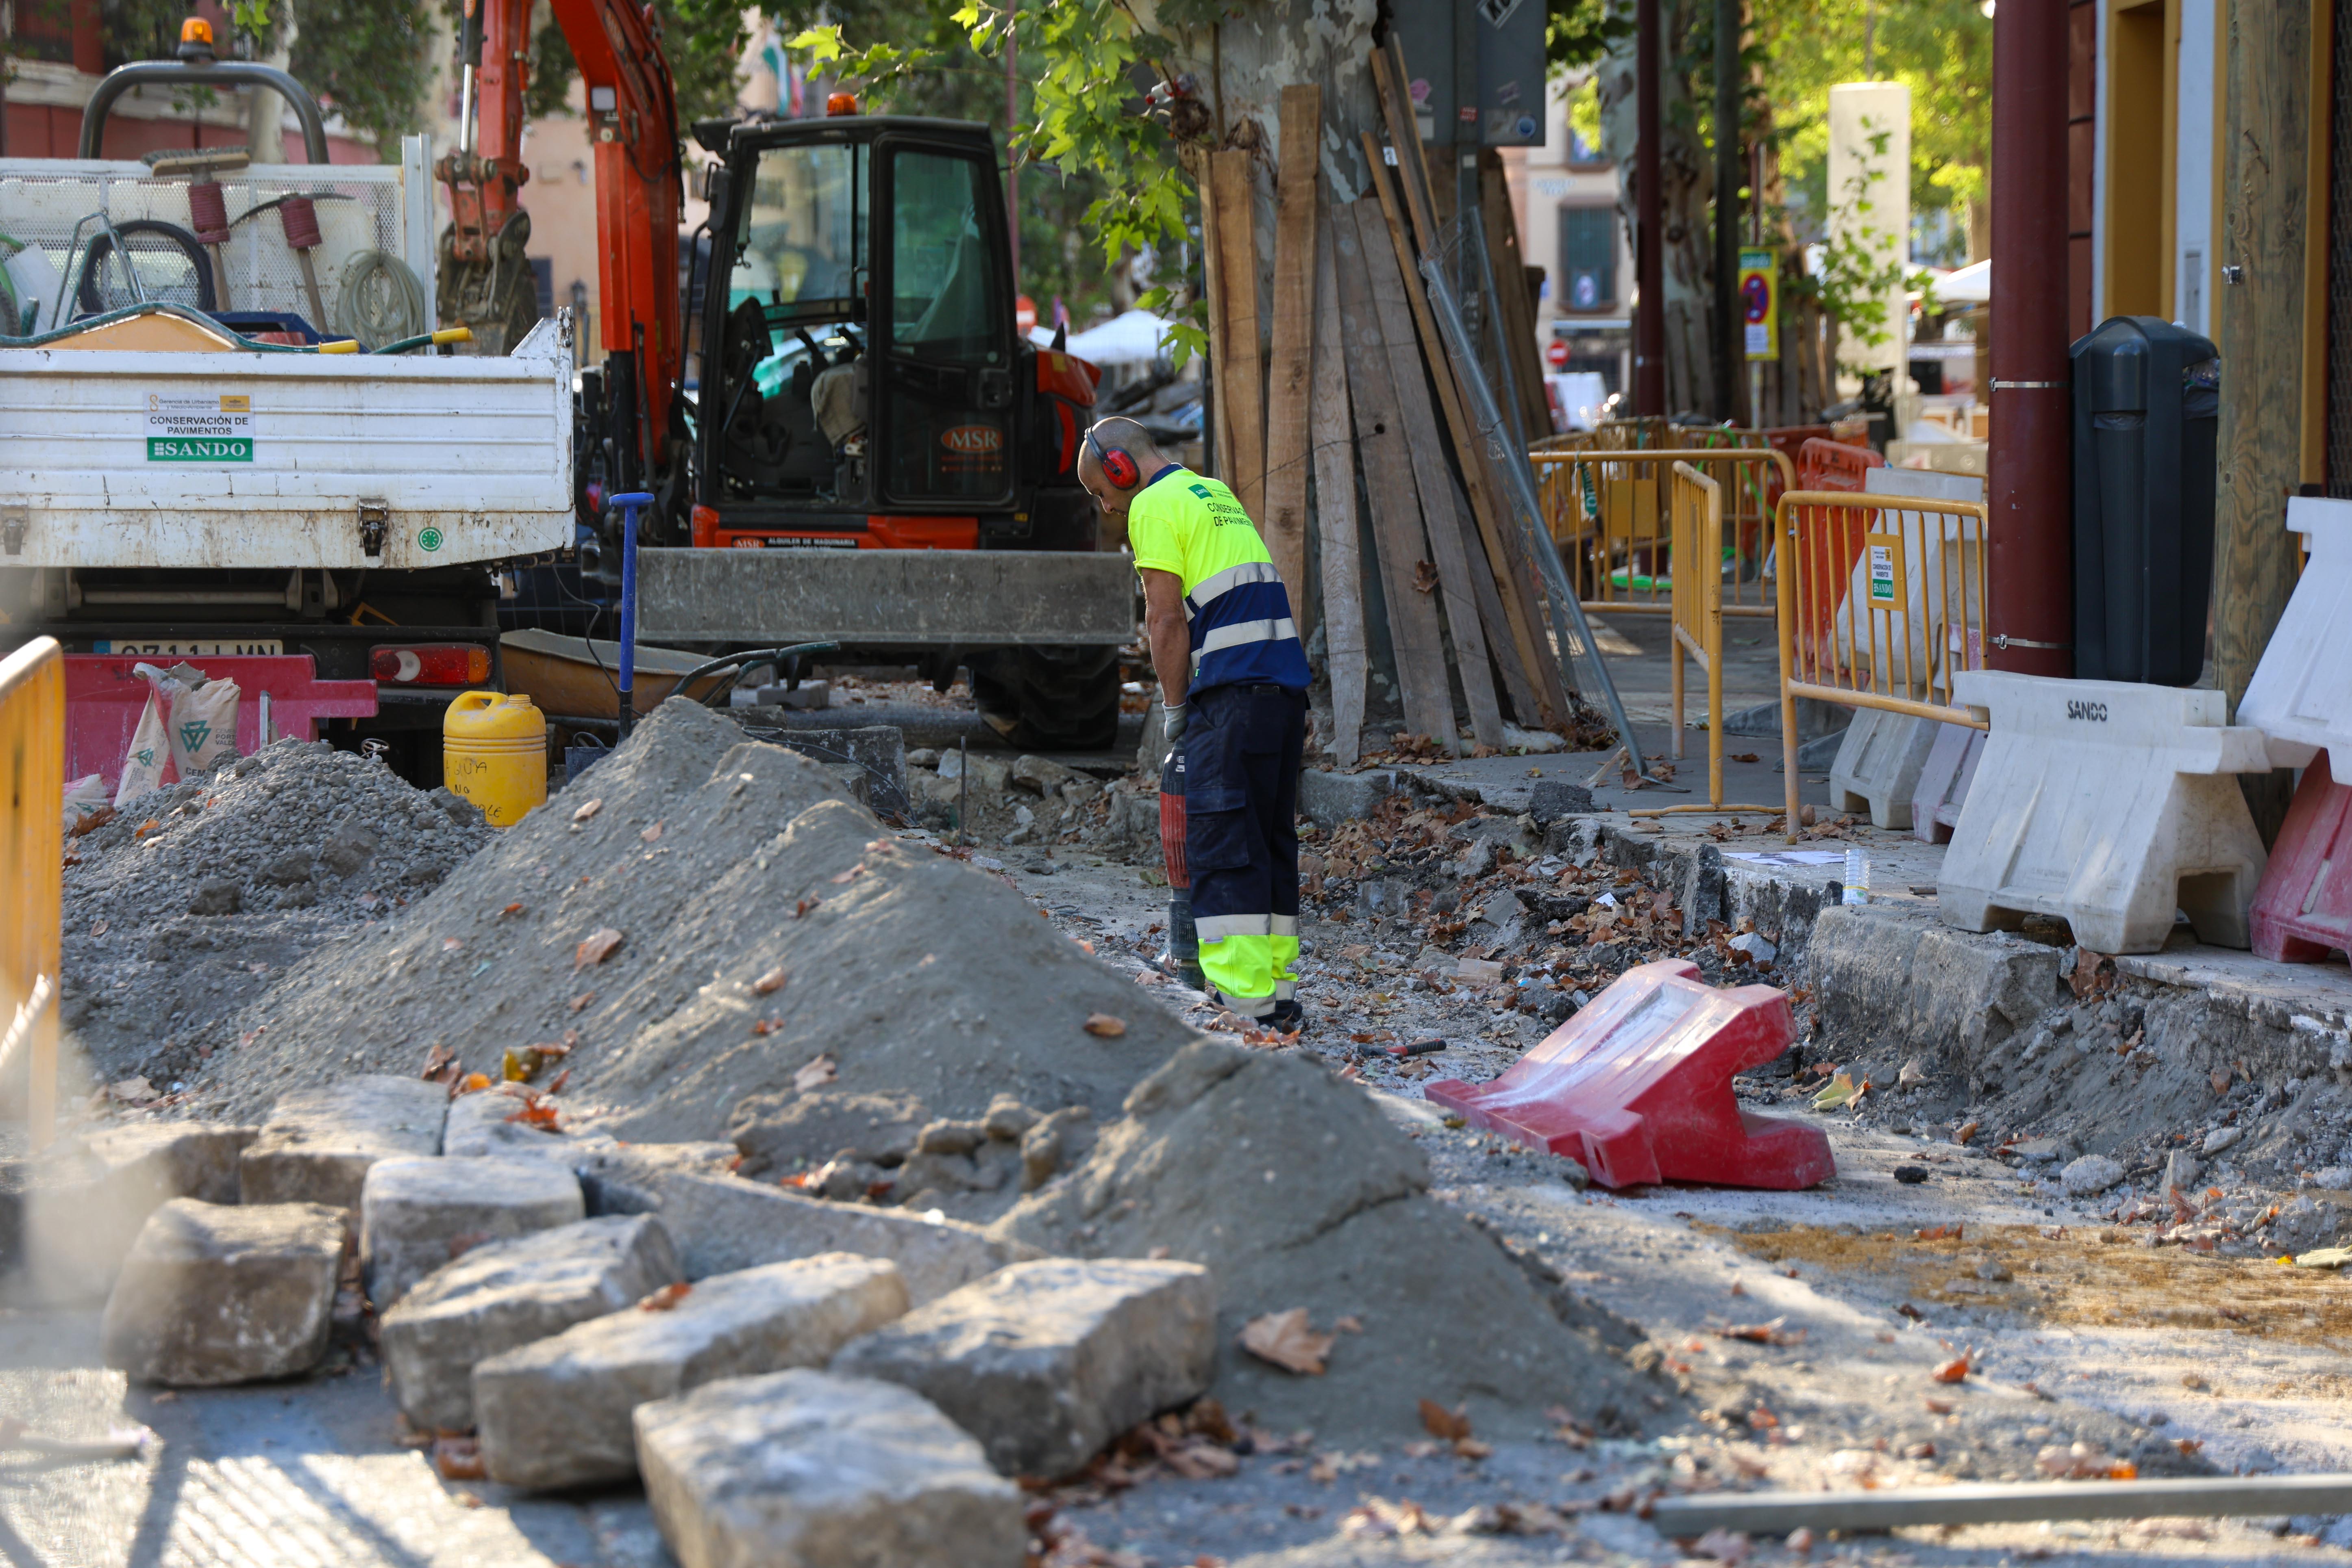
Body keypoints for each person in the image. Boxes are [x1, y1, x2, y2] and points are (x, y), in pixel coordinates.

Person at [1079, 416, 1311, 1029]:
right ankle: (1276, 996)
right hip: (1283, 694)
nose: (1106, 506)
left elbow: (1165, 621)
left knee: (1224, 845)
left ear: (1121, 468)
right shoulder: (1212, 492)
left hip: (1232, 696)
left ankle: (1244, 1008)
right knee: (1268, 842)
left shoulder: (1152, 506)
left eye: (1101, 491)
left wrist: (1176, 709)